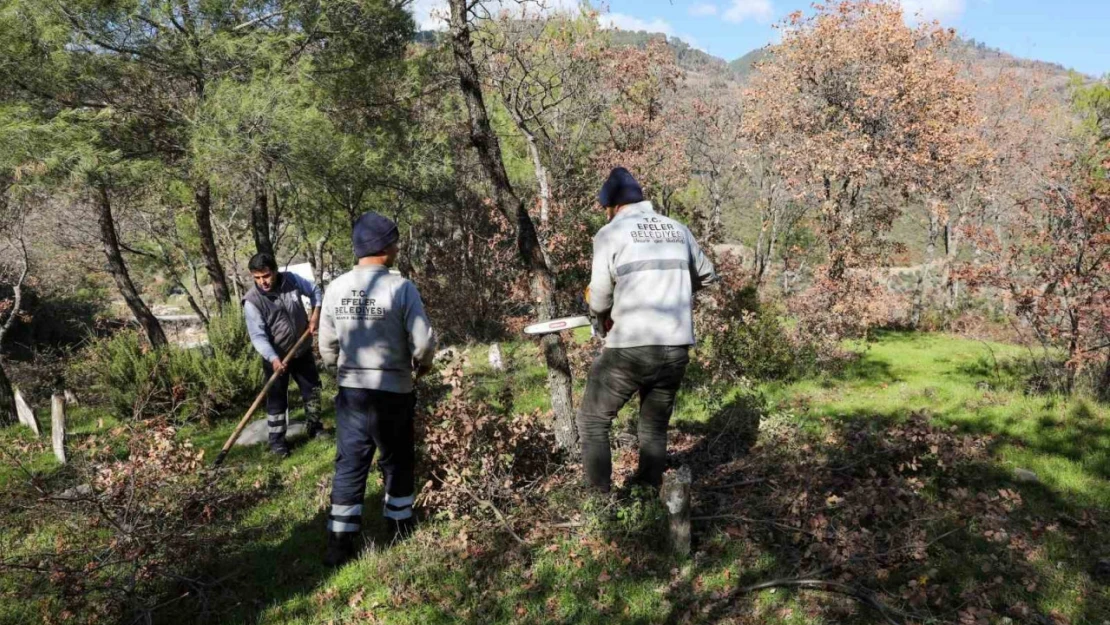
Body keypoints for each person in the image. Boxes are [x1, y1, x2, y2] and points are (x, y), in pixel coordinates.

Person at [578, 167, 718, 494]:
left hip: (631, 346)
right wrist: (673, 289)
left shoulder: (610, 234)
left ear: (611, 206)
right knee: (654, 426)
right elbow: (708, 275)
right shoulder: (677, 229)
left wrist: (604, 312)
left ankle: (599, 501)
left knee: (593, 421)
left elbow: (598, 298)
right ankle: (647, 490)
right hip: (676, 345)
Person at [319, 211, 436, 567]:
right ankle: (399, 527)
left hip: (352, 393)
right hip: (393, 391)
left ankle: (340, 542)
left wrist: (339, 368)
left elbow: (326, 345)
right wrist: (423, 364)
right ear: (385, 248)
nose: (397, 247)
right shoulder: (401, 287)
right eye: (395, 242)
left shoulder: (336, 287)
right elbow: (424, 341)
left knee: (350, 464)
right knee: (397, 459)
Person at [243, 252, 327, 457]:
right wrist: (273, 358)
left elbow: (315, 291)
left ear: (275, 271)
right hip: (276, 357)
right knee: (277, 399)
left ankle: (315, 427)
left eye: (266, 276)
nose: (262, 281)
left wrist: (315, 314)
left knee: (312, 390)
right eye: (257, 277)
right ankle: (277, 442)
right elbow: (258, 336)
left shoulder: (291, 280)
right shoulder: (252, 302)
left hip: (302, 349)